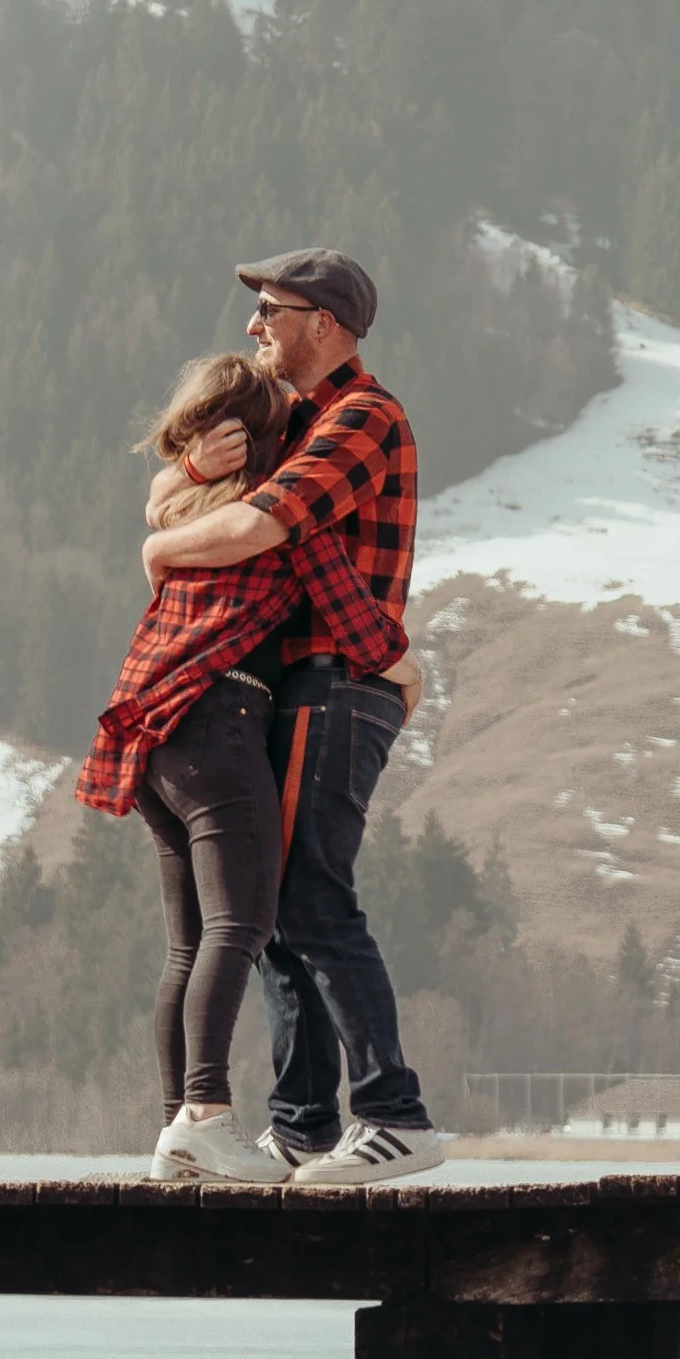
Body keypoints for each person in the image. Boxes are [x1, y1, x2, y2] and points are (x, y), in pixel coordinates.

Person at [141, 250, 448, 1185]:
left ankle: (395, 1114)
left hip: (336, 681)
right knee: (270, 910)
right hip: (296, 679)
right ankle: (305, 1123)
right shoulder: (293, 419)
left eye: (269, 309)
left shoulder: (362, 415)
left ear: (324, 322)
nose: (252, 326)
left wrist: (157, 552)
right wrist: (183, 475)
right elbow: (188, 492)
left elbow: (261, 526)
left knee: (311, 894)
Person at [77, 348, 416, 1185]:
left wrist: (184, 474)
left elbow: (159, 511)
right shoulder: (265, 519)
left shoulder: (189, 506)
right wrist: (402, 670)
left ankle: (178, 1137)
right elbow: (345, 606)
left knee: (190, 944)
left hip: (149, 729)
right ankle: (204, 1114)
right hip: (221, 722)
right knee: (242, 926)